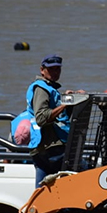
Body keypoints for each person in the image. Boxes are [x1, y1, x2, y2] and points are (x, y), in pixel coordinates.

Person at [24, 54, 73, 188]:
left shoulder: (50, 88)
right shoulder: (41, 89)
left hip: (46, 147)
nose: (55, 72)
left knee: (44, 190)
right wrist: (64, 105)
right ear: (42, 70)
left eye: (58, 69)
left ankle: (39, 206)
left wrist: (67, 98)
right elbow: (41, 117)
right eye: (51, 69)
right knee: (78, 170)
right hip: (49, 148)